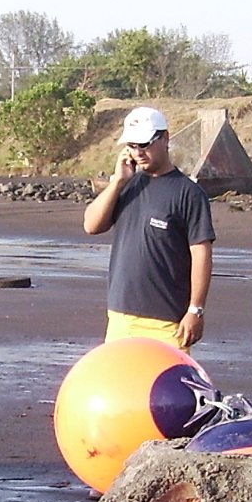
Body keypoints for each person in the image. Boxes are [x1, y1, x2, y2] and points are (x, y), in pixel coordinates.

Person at [82, 106, 215, 350]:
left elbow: (201, 253)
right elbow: (91, 225)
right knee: (122, 387)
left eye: (144, 144)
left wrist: (195, 309)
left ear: (165, 138)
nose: (138, 152)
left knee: (166, 387)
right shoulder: (127, 185)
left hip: (167, 321)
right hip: (121, 315)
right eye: (132, 146)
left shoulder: (189, 193)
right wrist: (118, 182)